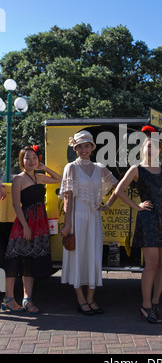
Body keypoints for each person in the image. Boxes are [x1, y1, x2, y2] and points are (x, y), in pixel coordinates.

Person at [115, 125, 162, 323]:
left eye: (154, 146)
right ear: (143, 148)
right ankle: (145, 307)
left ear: (160, 149)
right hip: (148, 219)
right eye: (147, 146)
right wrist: (137, 206)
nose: (150, 149)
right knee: (151, 264)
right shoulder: (137, 169)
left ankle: (155, 303)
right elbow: (119, 191)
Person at [60, 130, 118, 315]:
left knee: (93, 256)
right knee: (78, 256)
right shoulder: (71, 167)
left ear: (92, 147)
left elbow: (118, 186)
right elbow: (68, 199)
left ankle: (91, 298)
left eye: (86, 145)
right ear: (75, 149)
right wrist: (68, 224)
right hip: (77, 216)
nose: (83, 149)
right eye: (79, 146)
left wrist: (107, 205)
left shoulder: (100, 167)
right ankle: (80, 299)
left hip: (94, 218)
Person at [2, 145, 61, 313]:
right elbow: (15, 204)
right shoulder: (19, 179)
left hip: (40, 220)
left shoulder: (40, 177)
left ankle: (27, 299)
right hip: (25, 221)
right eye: (28, 158)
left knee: (31, 261)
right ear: (22, 161)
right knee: (14, 258)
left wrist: (44, 167)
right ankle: (8, 299)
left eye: (35, 158)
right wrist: (25, 226)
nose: (32, 161)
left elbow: (57, 178)